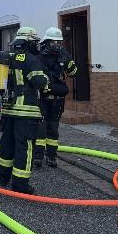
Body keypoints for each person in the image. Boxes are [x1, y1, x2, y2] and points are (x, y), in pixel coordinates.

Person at [0, 26, 49, 194]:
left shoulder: (6, 56)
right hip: (26, 112)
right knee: (24, 147)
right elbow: (39, 82)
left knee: (7, 143)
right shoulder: (31, 59)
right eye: (35, 42)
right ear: (29, 42)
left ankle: (3, 177)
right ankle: (20, 183)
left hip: (7, 109)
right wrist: (46, 79)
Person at [33, 27, 77, 168]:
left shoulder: (63, 55)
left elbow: (73, 73)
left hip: (57, 99)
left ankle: (51, 157)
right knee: (41, 128)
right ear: (46, 42)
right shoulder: (39, 56)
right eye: (53, 42)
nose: (57, 45)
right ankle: (38, 157)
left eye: (59, 42)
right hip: (42, 98)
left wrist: (68, 60)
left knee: (53, 128)